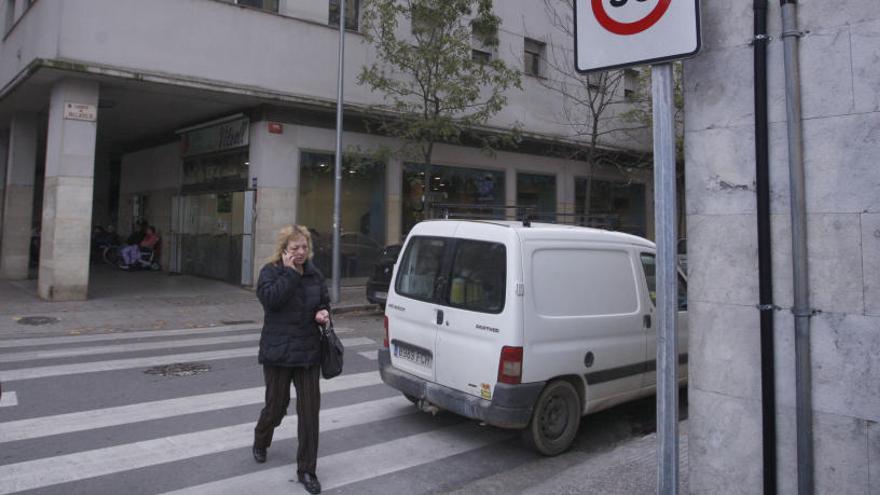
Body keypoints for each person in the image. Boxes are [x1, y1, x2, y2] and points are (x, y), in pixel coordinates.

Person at [253, 224, 330, 495]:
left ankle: (307, 469)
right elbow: (271, 300)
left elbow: (323, 302)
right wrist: (289, 274)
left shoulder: (315, 274)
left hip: (308, 352)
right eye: (294, 247)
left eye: (304, 247)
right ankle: (261, 438)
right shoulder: (271, 272)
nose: (300, 252)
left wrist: (323, 313)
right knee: (276, 406)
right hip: (278, 352)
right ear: (284, 249)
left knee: (309, 413)